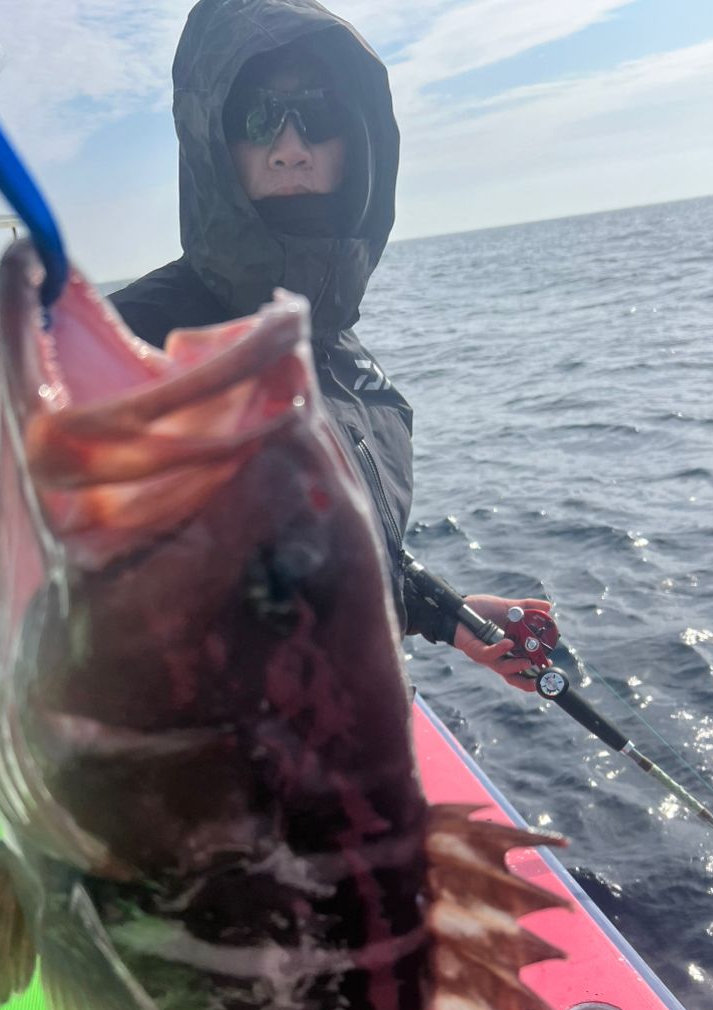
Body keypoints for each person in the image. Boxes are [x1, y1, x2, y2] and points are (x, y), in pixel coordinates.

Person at [110, 0, 550, 691]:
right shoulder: (131, 352)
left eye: (319, 114)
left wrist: (443, 616)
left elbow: (329, 565)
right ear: (213, 143)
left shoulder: (340, 353)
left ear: (359, 142)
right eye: (257, 116)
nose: (291, 146)